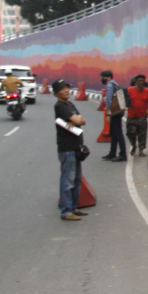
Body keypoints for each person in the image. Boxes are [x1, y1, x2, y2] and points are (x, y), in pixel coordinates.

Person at [53, 79, 88, 221]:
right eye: (62, 89)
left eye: (67, 87)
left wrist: (75, 119)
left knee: (77, 179)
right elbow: (79, 121)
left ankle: (73, 208)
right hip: (67, 148)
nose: (66, 90)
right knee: (68, 179)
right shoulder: (60, 106)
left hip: (75, 147)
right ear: (56, 93)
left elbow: (82, 121)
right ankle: (66, 211)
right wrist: (77, 119)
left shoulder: (70, 104)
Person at [100, 70, 127, 162]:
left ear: (108, 77)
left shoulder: (110, 85)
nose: (102, 79)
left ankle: (123, 154)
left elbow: (109, 100)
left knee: (118, 133)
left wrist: (108, 114)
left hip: (114, 112)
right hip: (118, 111)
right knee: (114, 133)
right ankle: (112, 153)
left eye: (103, 77)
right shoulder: (115, 84)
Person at [126, 74, 148, 157]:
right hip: (131, 116)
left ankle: (141, 150)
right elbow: (125, 100)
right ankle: (133, 145)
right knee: (130, 133)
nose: (141, 82)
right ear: (136, 81)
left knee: (142, 134)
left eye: (142, 81)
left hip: (142, 116)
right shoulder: (130, 90)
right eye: (139, 81)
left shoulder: (147, 91)